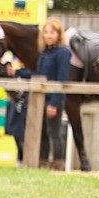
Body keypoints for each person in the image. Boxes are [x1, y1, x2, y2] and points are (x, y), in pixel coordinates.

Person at [35, 17, 71, 168]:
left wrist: (54, 104)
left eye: (52, 32)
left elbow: (62, 80)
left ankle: (57, 163)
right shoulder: (45, 53)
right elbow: (38, 75)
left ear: (59, 34)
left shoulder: (63, 52)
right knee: (42, 131)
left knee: (54, 132)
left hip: (54, 99)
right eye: (46, 32)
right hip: (42, 98)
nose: (49, 35)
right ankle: (42, 162)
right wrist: (16, 72)